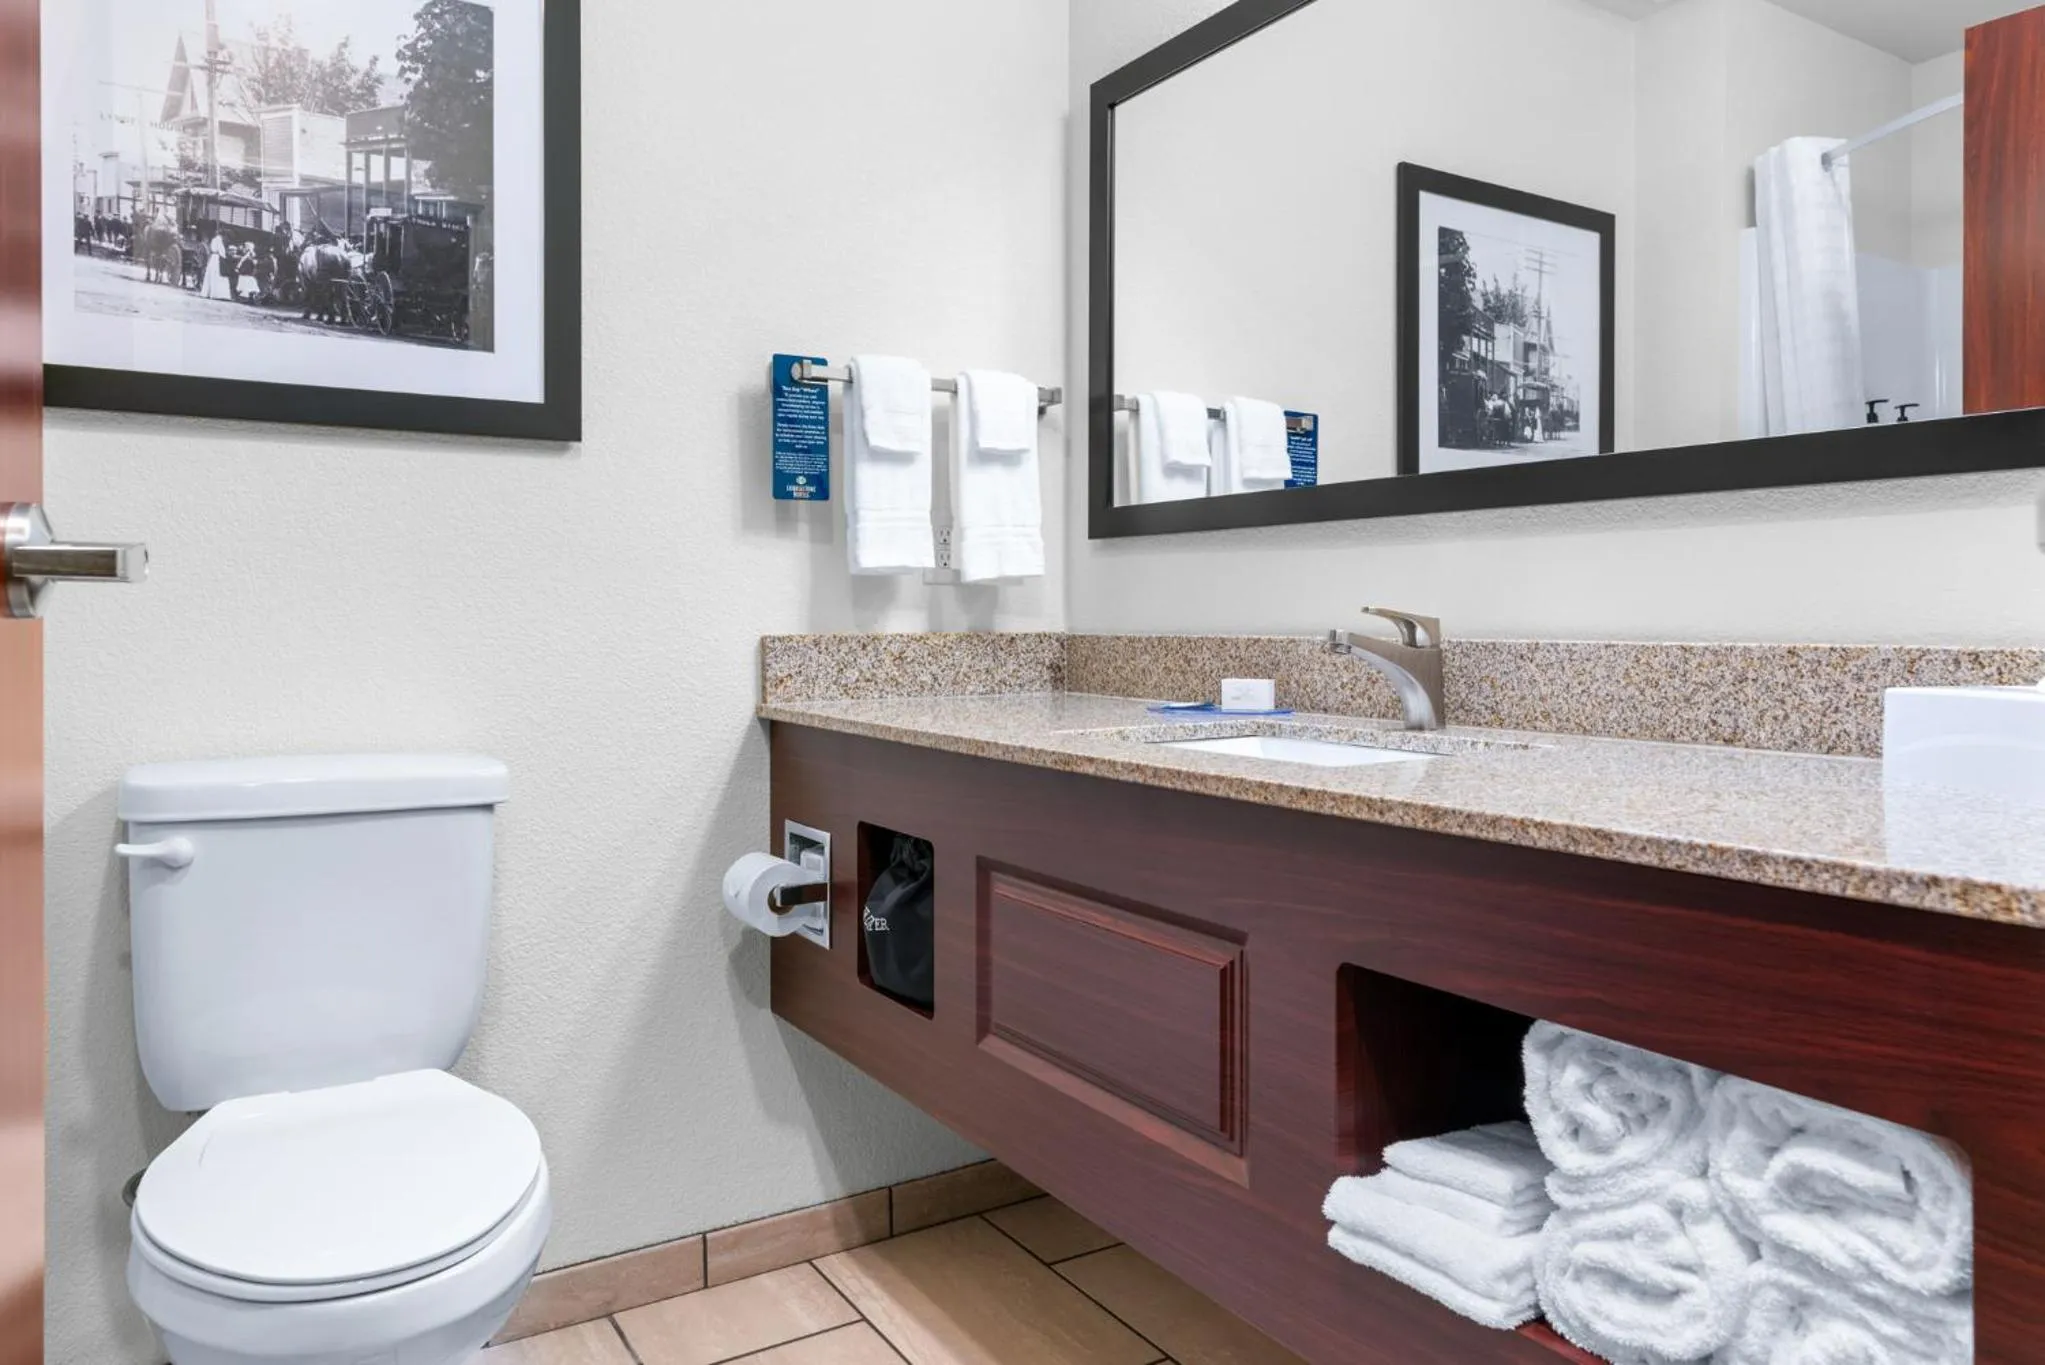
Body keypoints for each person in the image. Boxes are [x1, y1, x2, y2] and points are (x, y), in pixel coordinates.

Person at [200, 231, 234, 301]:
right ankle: (217, 294)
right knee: (218, 275)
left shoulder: (213, 240)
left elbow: (212, 249)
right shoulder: (219, 240)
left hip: (213, 258)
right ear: (223, 235)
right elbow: (222, 252)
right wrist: (226, 257)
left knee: (211, 275)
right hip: (218, 258)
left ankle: (208, 292)